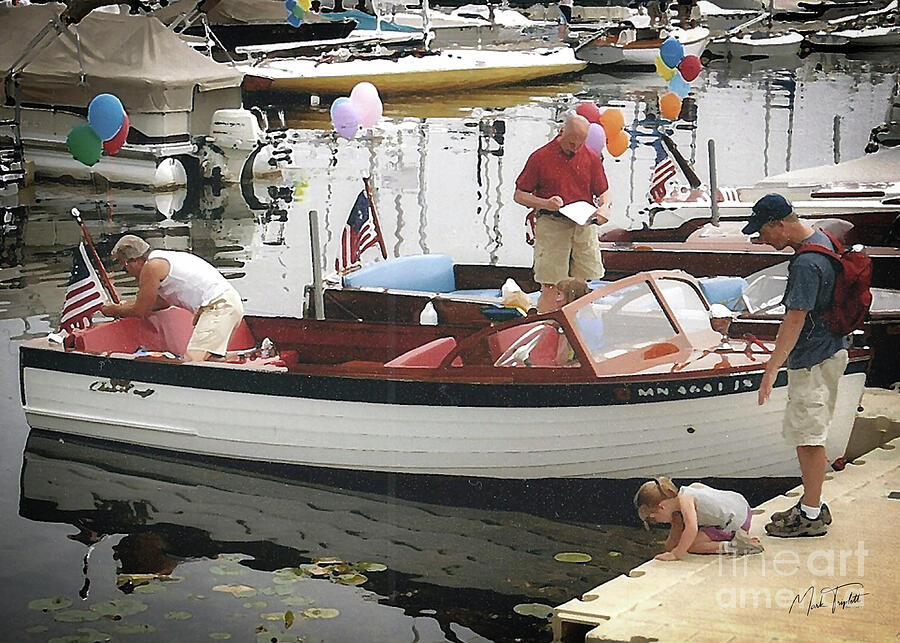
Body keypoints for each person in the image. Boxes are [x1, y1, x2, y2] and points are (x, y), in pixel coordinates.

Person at [745, 194, 849, 538]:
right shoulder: (822, 238)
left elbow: (794, 319)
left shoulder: (805, 264)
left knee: (808, 437)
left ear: (780, 224)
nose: (761, 240)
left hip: (814, 360)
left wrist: (772, 367)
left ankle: (812, 514)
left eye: (762, 232)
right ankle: (811, 503)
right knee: (809, 434)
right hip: (831, 350)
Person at [514, 113, 611, 313]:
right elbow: (519, 195)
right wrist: (545, 203)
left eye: (579, 144)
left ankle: (583, 325)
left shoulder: (590, 157)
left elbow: (604, 191)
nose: (574, 148)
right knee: (551, 284)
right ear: (561, 132)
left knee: (583, 281)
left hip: (583, 223)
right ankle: (546, 320)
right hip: (552, 223)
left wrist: (604, 207)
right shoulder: (540, 157)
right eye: (570, 142)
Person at [101, 235, 244, 362]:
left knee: (193, 362)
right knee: (211, 358)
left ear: (134, 261)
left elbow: (141, 310)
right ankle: (241, 358)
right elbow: (161, 303)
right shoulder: (163, 259)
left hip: (218, 306)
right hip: (229, 303)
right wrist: (125, 305)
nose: (129, 274)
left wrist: (114, 309)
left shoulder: (152, 267)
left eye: (125, 268)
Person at [634, 477, 764, 560]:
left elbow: (691, 528)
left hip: (737, 522)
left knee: (692, 545)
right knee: (687, 541)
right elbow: (671, 544)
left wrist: (676, 554)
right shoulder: (690, 489)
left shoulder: (686, 501)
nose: (657, 522)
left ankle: (736, 546)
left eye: (653, 519)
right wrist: (676, 526)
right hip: (743, 507)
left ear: (661, 507)